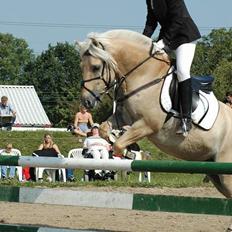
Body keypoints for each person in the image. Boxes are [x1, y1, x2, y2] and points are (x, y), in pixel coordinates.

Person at [143, 0, 201, 135]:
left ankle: (186, 119)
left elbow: (178, 19)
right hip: (168, 35)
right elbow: (151, 22)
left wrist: (164, 41)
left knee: (182, 71)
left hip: (184, 36)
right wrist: (142, 40)